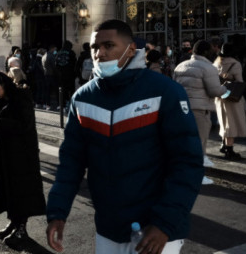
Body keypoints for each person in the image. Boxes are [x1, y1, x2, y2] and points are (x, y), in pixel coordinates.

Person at [46, 20, 203, 254]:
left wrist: (164, 224)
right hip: (109, 229)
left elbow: (187, 162)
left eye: (109, 45)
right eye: (94, 47)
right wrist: (58, 211)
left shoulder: (165, 91)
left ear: (131, 49)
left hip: (157, 233)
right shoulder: (83, 99)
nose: (100, 53)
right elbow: (71, 162)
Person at [0, 71, 46, 247]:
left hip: (22, 156)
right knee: (9, 191)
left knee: (21, 192)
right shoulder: (3, 100)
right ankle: (14, 223)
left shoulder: (21, 98)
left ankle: (21, 228)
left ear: (3, 84)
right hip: (8, 155)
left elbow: (24, 125)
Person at [174, 40, 228, 184]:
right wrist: (227, 89)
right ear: (205, 52)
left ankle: (182, 172)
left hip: (181, 109)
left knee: (185, 142)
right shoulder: (208, 67)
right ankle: (197, 175)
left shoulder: (181, 65)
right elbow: (214, 90)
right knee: (199, 143)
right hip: (200, 109)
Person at [214, 43, 246, 160]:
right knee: (231, 123)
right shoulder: (235, 63)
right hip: (231, 96)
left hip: (219, 95)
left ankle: (224, 144)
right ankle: (229, 149)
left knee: (223, 121)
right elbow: (239, 81)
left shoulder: (217, 62)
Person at [55, 40, 77, 110]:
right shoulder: (71, 53)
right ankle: (70, 104)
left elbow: (56, 64)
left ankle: (61, 104)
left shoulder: (58, 52)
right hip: (70, 75)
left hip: (60, 75)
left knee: (62, 90)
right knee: (70, 90)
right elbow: (75, 63)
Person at [42, 44, 59, 110]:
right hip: (52, 75)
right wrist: (57, 73)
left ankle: (47, 105)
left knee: (47, 91)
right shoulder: (51, 56)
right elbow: (54, 66)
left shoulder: (44, 56)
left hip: (46, 75)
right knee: (56, 90)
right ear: (52, 49)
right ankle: (58, 104)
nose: (55, 51)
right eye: (55, 49)